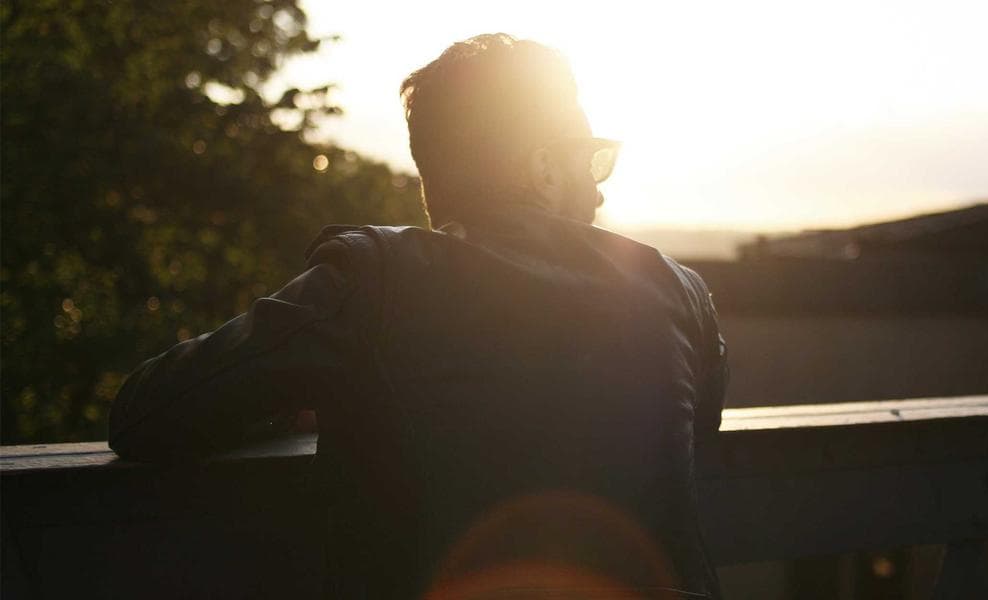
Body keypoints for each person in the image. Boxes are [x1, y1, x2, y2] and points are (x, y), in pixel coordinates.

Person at [109, 33, 727, 599]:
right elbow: (697, 425)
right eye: (590, 160)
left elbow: (147, 413)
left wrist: (298, 397)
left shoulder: (378, 281)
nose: (599, 189)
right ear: (541, 168)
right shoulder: (676, 290)